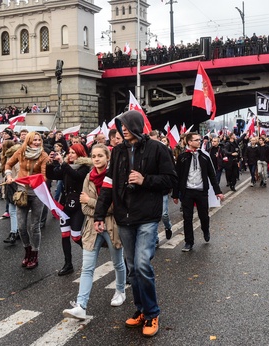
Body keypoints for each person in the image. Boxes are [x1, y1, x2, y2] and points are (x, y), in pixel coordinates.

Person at [93, 110, 177, 337]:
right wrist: (99, 215)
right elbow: (108, 185)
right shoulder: (118, 151)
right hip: (124, 218)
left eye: (127, 127)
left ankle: (152, 313)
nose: (124, 132)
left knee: (141, 265)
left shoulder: (158, 149)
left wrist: (145, 180)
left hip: (147, 217)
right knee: (132, 270)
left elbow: (171, 180)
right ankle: (140, 309)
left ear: (137, 126)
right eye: (121, 128)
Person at [62, 144, 126, 319]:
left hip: (112, 226)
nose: (97, 159)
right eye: (94, 156)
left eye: (100, 156)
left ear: (108, 158)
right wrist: (96, 207)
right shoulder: (88, 177)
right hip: (91, 226)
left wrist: (91, 201)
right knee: (87, 268)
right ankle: (81, 305)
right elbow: (83, 207)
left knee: (118, 263)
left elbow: (114, 207)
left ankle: (120, 291)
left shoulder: (115, 177)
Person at [173, 132, 224, 252]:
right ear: (189, 142)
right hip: (187, 192)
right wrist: (175, 194)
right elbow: (177, 177)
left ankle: (205, 230)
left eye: (199, 140)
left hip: (201, 191)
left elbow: (212, 175)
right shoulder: (182, 157)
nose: (199, 142)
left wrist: (218, 192)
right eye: (196, 140)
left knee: (204, 216)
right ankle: (188, 242)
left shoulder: (204, 157)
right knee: (187, 218)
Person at [5, 131, 49, 269]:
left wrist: (32, 180)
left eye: (38, 140)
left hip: (37, 193)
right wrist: (8, 176)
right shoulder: (21, 152)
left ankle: (35, 254)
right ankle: (27, 251)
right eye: (34, 140)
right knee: (21, 226)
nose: (36, 142)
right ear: (28, 141)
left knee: (34, 226)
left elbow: (44, 176)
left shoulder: (43, 155)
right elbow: (8, 164)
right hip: (22, 192)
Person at [46, 143, 92, 276]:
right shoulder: (67, 167)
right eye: (69, 152)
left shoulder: (84, 168)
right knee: (65, 235)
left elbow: (77, 176)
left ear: (80, 154)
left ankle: (90, 256)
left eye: (73, 152)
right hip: (66, 205)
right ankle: (68, 264)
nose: (70, 155)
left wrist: (63, 164)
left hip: (78, 206)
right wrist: (50, 163)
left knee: (76, 236)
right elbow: (53, 175)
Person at [1, 140, 21, 244]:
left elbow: (19, 172)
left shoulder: (14, 157)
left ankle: (15, 232)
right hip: (11, 184)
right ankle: (15, 231)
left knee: (14, 211)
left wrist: (12, 179)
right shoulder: (9, 156)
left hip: (15, 185)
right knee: (13, 210)